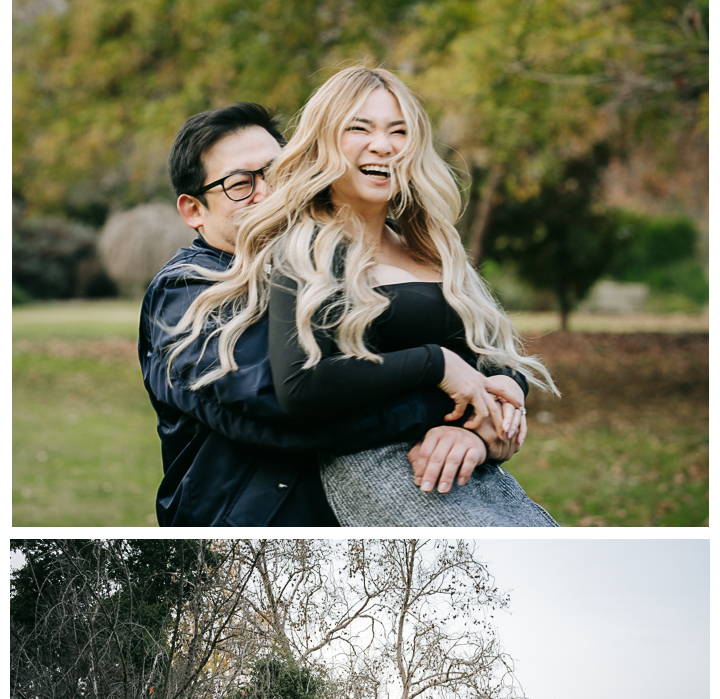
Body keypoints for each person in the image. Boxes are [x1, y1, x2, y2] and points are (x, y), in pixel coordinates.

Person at [169, 67, 559, 526]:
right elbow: (297, 387)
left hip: (476, 474)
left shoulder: (432, 243)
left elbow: (489, 349)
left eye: (399, 130)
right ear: (323, 142)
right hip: (399, 482)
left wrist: (499, 406)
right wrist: (437, 364)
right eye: (359, 127)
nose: (384, 145)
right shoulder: (308, 247)